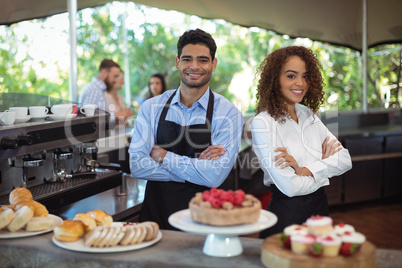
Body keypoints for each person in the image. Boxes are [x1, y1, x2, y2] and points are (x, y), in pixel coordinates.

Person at [129, 29, 244, 230]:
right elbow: (138, 166)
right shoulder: (151, 108)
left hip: (204, 222)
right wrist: (196, 166)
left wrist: (164, 157)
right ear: (177, 62)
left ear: (213, 64)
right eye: (187, 59)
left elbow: (214, 176)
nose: (194, 66)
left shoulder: (228, 114)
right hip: (156, 219)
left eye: (202, 60)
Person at [251, 46, 352, 238]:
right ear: (275, 80)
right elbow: (290, 187)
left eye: (305, 76)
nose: (300, 83)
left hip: (320, 213)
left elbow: (345, 160)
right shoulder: (263, 122)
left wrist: (304, 170)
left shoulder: (308, 114)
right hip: (286, 215)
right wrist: (324, 169)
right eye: (291, 76)